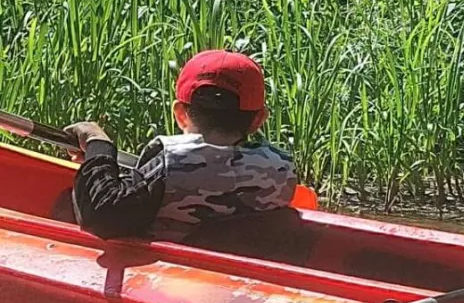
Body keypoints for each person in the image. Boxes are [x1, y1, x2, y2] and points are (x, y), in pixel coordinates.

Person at [66, 49, 298, 245]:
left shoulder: (170, 161)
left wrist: (98, 145)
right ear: (259, 119)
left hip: (173, 278)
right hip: (240, 278)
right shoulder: (282, 168)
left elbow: (102, 215)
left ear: (180, 114)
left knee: (64, 203)